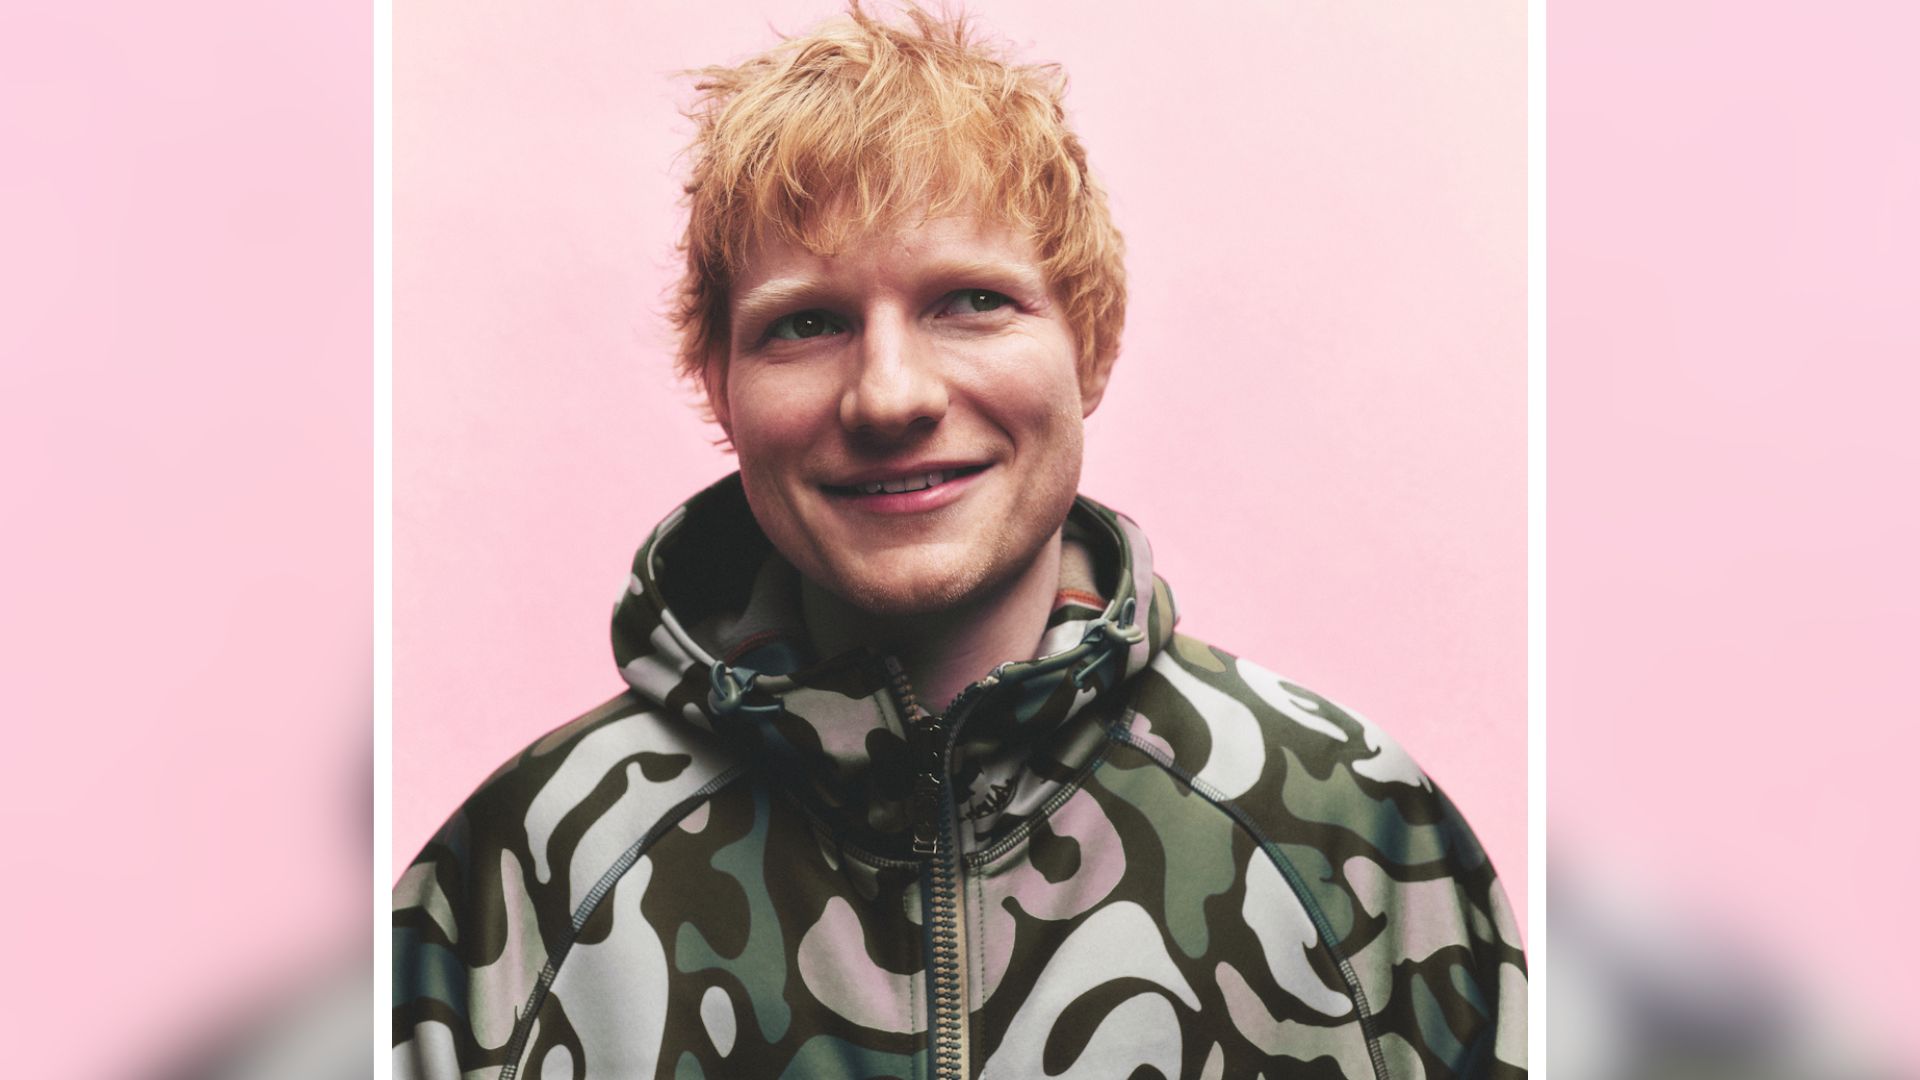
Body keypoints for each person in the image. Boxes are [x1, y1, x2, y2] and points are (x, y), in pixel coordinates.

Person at [393, 5, 1526, 1077]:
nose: (891, 394)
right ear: (721, 387)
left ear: (1091, 347)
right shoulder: (517, 882)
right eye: (807, 323)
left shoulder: (1360, 838)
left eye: (971, 301)